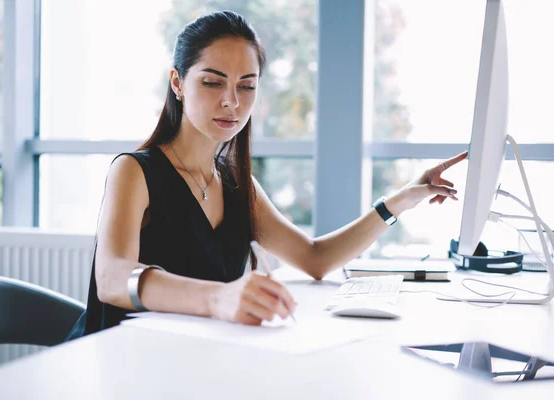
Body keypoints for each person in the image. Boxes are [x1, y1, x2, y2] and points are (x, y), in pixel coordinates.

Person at [66, 10, 466, 340]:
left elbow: (314, 258)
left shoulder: (239, 187)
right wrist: (219, 298)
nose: (231, 101)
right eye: (212, 82)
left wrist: (402, 200)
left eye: (247, 86)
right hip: (118, 365)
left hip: (190, 363)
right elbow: (113, 278)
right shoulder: (134, 171)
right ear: (178, 84)